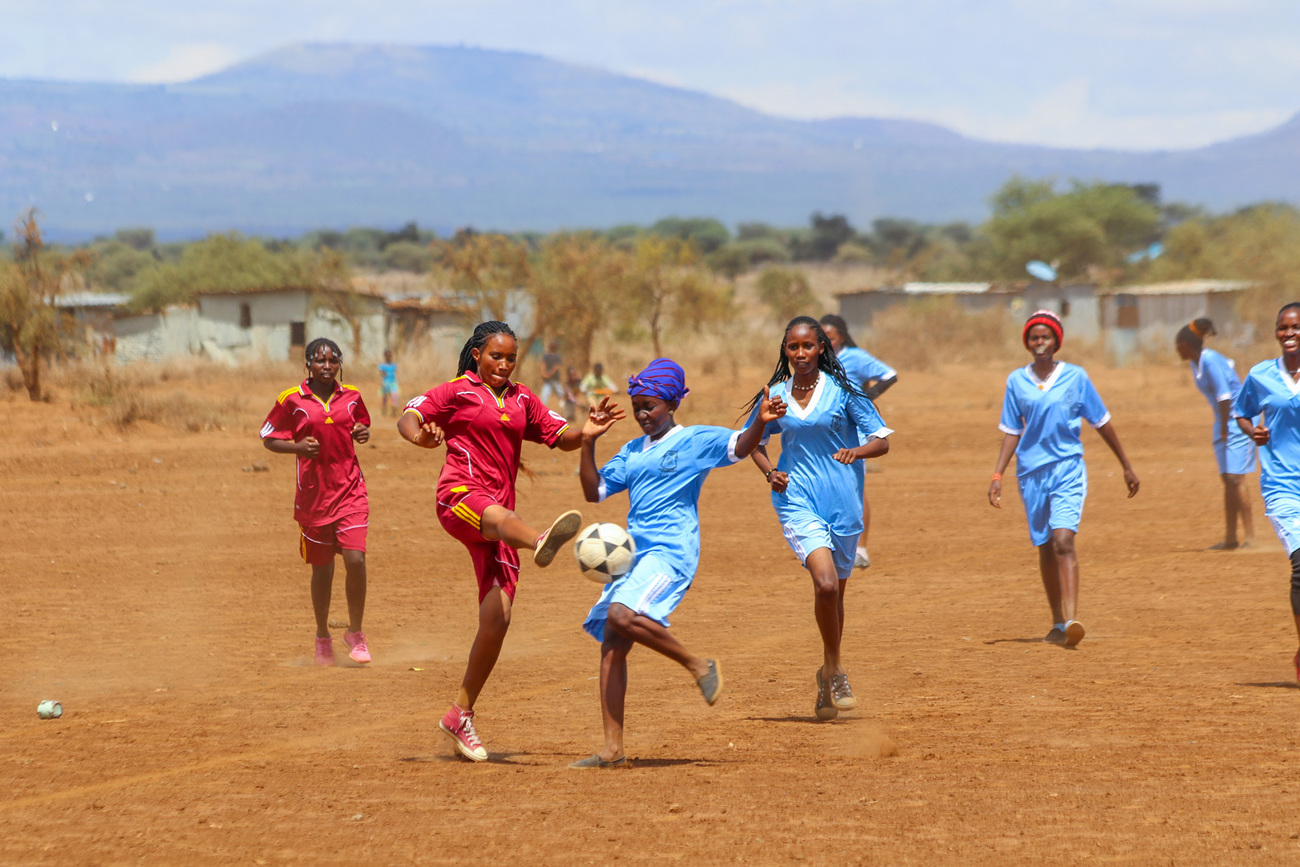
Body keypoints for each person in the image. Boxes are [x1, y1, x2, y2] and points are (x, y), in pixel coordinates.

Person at [571, 358, 785, 767]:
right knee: (613, 646)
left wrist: (759, 422)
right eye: (636, 407)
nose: (641, 414)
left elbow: (740, 447)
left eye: (649, 405)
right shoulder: (631, 451)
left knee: (619, 614)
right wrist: (587, 441)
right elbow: (593, 491)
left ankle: (698, 664)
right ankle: (613, 751)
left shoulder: (696, 440)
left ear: (671, 403)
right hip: (634, 557)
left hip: (671, 554)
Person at [397, 320, 588, 762]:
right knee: (502, 519)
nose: (502, 365)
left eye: (510, 359)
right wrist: (422, 439)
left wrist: (590, 429)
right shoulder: (456, 391)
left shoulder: (523, 399)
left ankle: (460, 713)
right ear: (477, 354)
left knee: (498, 618)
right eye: (495, 356)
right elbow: (409, 418)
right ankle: (540, 539)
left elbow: (562, 437)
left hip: (499, 516)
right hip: (460, 497)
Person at [746, 317, 892, 721]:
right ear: (785, 351)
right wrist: (768, 470)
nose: (800, 354)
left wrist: (856, 452)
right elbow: (753, 443)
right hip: (796, 500)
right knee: (825, 585)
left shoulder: (845, 391)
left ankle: (826, 675)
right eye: (793, 347)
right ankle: (838, 671)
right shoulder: (775, 393)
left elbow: (880, 441)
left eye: (808, 346)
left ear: (822, 348)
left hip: (843, 502)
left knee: (837, 597)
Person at [989, 310, 1140, 648]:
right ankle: (1057, 621)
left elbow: (1101, 421)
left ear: (1057, 340)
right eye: (1033, 337)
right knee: (1044, 546)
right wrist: (998, 473)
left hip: (1068, 469)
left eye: (1045, 337)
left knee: (1063, 540)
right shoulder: (1016, 381)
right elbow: (1013, 431)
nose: (1039, 342)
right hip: (1031, 473)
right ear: (1027, 343)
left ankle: (1073, 620)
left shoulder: (1077, 378)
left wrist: (1126, 465)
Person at [260, 337, 373, 666]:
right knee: (322, 570)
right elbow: (268, 437)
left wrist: (363, 432)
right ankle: (322, 636)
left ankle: (356, 633)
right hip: (313, 497)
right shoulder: (291, 399)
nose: (327, 366)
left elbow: (360, 424)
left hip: (351, 490)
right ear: (307, 364)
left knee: (355, 559)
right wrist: (296, 447)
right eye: (319, 360)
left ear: (340, 363)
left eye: (333, 360)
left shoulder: (352, 396)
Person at [1233, 303, 1300, 681]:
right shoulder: (1261, 375)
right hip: (1282, 485)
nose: (1289, 334)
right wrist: (1251, 431)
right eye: (1283, 328)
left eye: (1296, 327)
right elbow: (1242, 411)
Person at [819, 313, 898, 570]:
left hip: (858, 431)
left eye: (830, 337)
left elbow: (890, 374)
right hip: (830, 432)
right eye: (822, 337)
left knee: (855, 486)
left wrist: (866, 396)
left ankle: (861, 549)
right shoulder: (820, 362)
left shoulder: (854, 357)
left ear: (841, 336)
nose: (826, 341)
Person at [1175, 318, 1256, 549]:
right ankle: (1231, 538)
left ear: (1186, 345)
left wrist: (1223, 428)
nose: (1176, 349)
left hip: (1238, 419)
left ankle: (1250, 537)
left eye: (1178, 344)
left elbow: (1225, 396)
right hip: (1223, 420)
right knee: (1227, 479)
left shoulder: (1209, 360)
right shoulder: (1196, 362)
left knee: (1235, 477)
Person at [539, 341, 564, 409]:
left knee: (545, 394)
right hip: (555, 378)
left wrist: (545, 374)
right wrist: (550, 373)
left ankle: (542, 408)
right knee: (561, 393)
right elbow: (557, 367)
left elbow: (543, 365)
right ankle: (563, 407)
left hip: (548, 378)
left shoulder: (546, 356)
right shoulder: (558, 357)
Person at [377, 349, 400, 417]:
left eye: (389, 355)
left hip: (393, 383)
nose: (388, 357)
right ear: (385, 356)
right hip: (386, 383)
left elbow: (395, 373)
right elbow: (381, 373)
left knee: (394, 397)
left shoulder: (394, 365)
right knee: (385, 397)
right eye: (387, 355)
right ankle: (384, 411)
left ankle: (394, 412)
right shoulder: (382, 365)